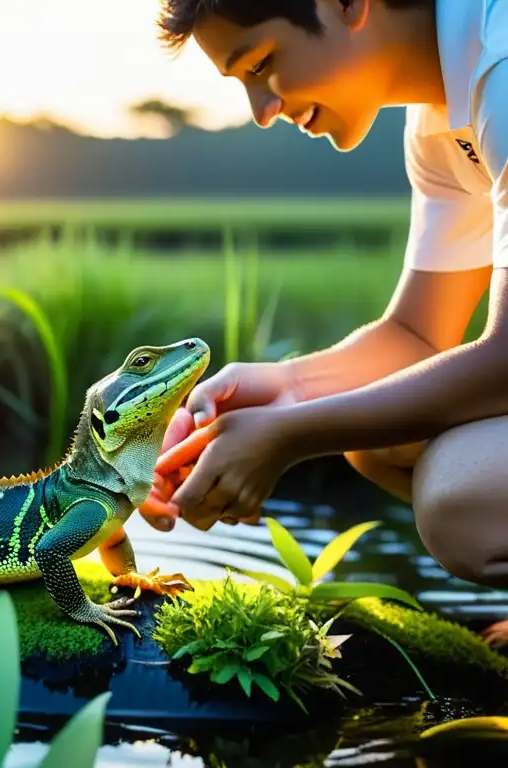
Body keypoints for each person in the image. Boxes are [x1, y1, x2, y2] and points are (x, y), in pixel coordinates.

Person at [139, 0, 508, 645]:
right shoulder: (440, 122)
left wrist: (285, 436)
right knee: (376, 438)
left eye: (263, 64)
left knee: (463, 497)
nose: (262, 111)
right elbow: (419, 336)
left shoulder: (500, 66)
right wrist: (284, 390)